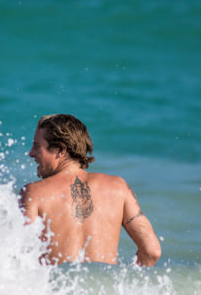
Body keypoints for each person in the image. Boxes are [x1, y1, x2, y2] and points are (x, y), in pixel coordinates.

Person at [19, 114, 161, 266]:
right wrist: (125, 280)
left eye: (36, 146)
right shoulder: (118, 187)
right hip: (104, 281)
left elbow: (22, 257)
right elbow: (152, 251)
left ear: (61, 149)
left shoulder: (33, 193)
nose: (31, 153)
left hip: (59, 281)